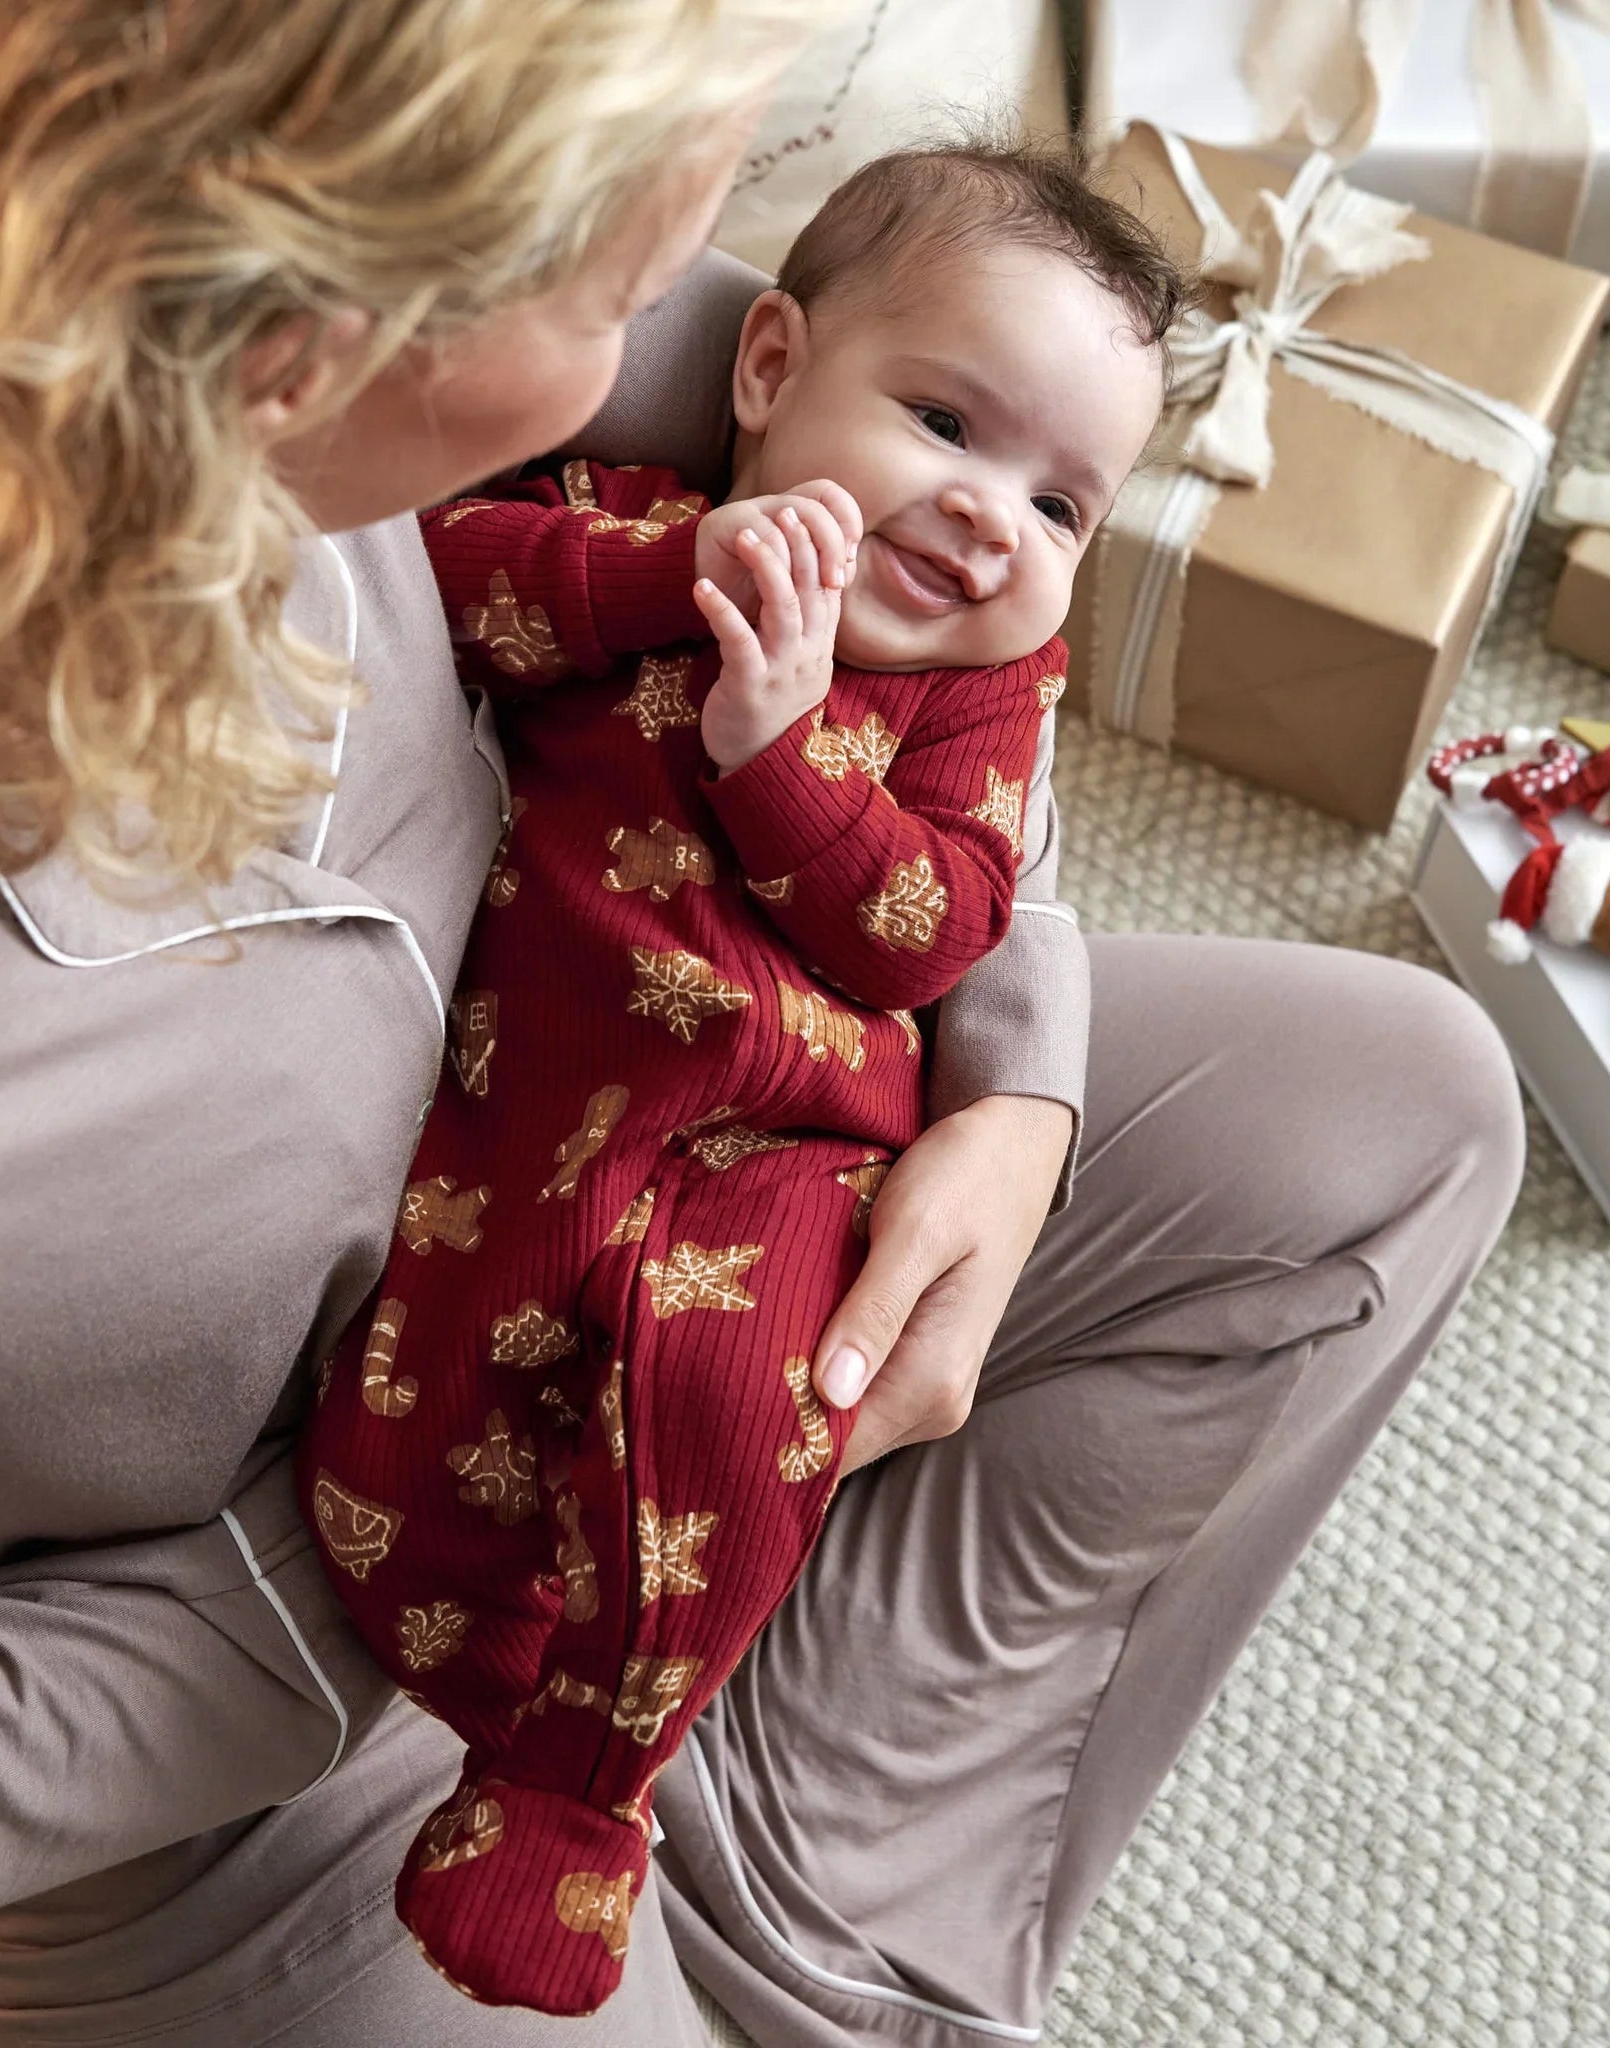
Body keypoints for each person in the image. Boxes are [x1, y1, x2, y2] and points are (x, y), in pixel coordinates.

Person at [0, 4, 1525, 2045]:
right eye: (629, 278)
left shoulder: (425, 379)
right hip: (288, 1675)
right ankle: (631, 1798)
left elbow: (944, 590)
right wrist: (348, 1589)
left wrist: (1015, 1094)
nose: (689, 323)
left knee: (1402, 1110)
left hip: (732, 1114)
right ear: (336, 290)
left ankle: (779, 1849)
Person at [298, 139, 1179, 2017]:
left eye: (1064, 505)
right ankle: (472, 1677)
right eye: (944, 421)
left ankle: (576, 1788)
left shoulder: (975, 700)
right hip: (536, 1112)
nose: (989, 521)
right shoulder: (642, 528)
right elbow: (446, 591)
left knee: (743, 1392)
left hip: (792, 1156)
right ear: (766, 369)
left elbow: (942, 926)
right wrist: (660, 580)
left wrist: (783, 756)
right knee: (437, 1392)